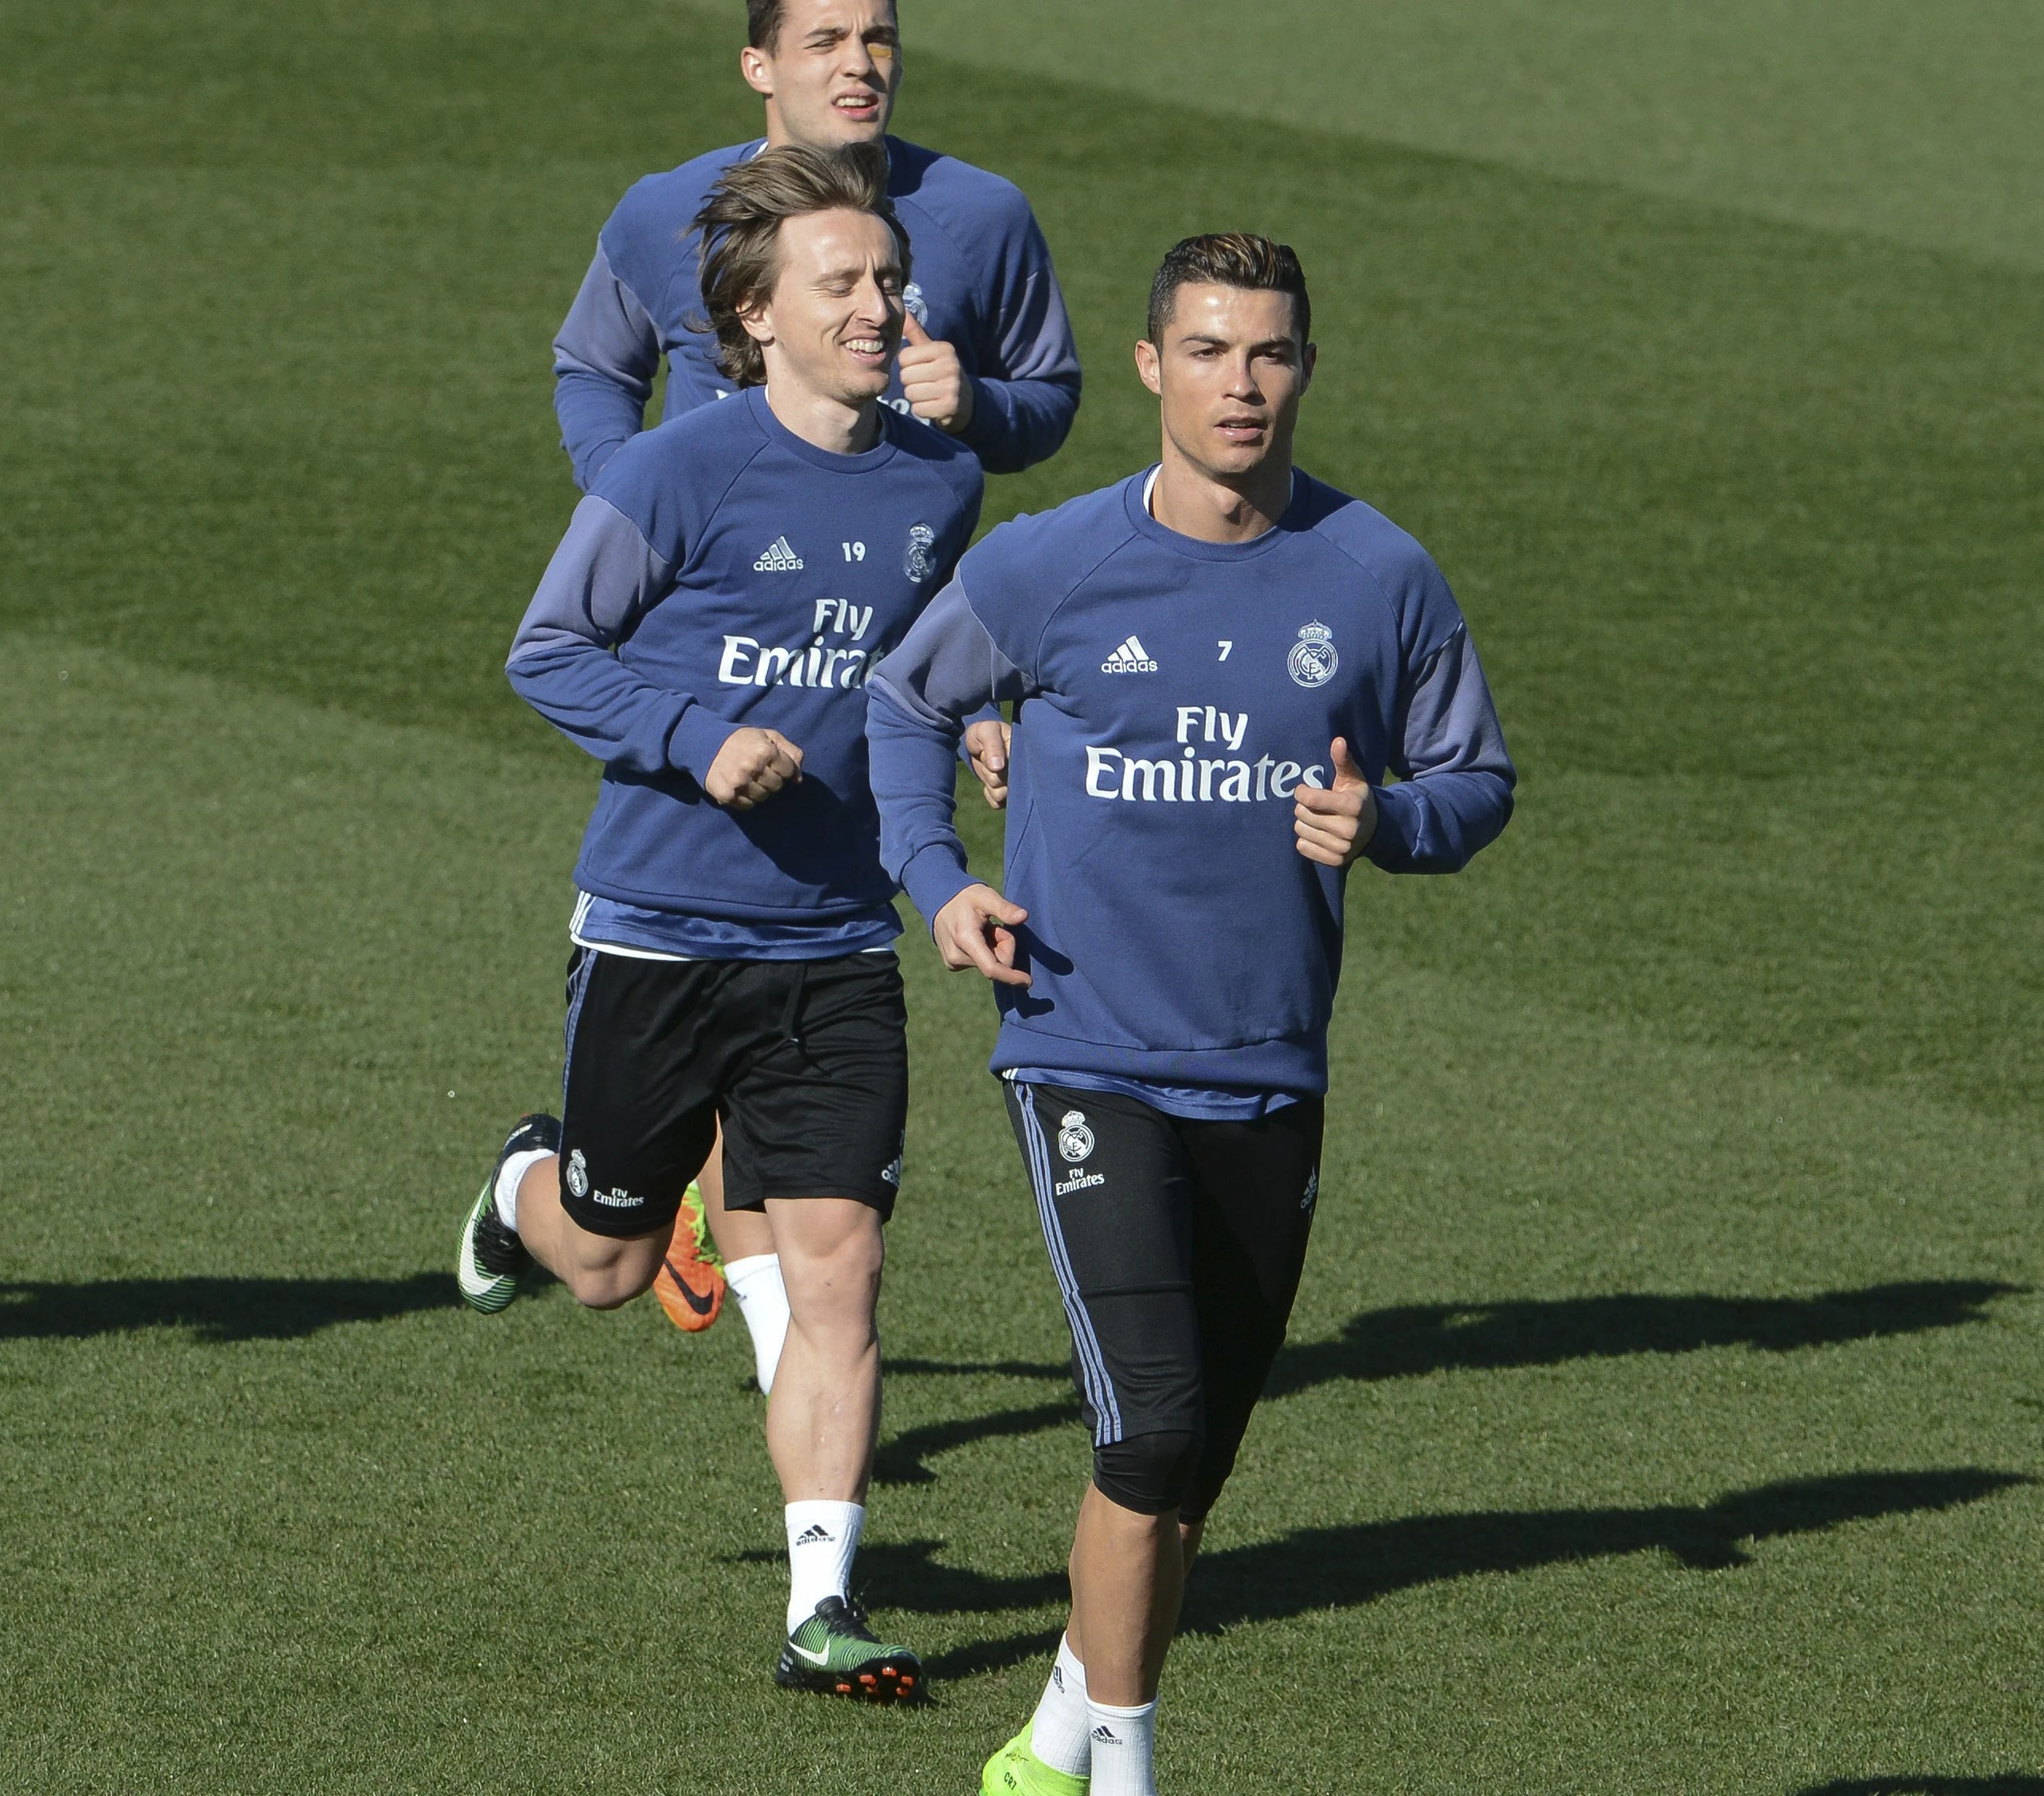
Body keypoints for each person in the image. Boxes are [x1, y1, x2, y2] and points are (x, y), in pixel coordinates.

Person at [864, 234, 1513, 1792]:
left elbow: (1475, 778)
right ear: (1153, 366)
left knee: (1189, 1465)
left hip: (1272, 1063)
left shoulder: (1378, 575)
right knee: (1151, 1431)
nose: (1244, 382)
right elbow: (905, 699)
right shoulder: (1050, 563)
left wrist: (1392, 827)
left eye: (1272, 352)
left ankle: (1057, 1727)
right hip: (1083, 1045)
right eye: (1211, 350)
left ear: (1305, 367)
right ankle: (1128, 1768)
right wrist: (940, 881)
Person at [458, 141, 986, 1699]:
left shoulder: (940, 480)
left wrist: (980, 722)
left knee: (841, 1269)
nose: (882, 306)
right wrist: (695, 737)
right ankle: (519, 1190)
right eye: (846, 284)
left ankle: (821, 1603)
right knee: (613, 1259)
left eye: (889, 277)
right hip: (663, 933)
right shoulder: (671, 472)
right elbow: (547, 652)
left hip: (837, 942)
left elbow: (923, 667)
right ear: (757, 316)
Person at [550, 0, 1078, 1361]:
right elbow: (589, 366)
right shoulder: (663, 210)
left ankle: (801, 1384)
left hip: (863, 628)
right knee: (732, 935)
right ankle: (776, 1345)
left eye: (878, 36)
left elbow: (1044, 404)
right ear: (758, 66)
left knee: (796, 978)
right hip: (721, 645)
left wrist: (981, 406)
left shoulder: (982, 214)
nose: (858, 64)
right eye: (826, 38)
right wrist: (635, 513)